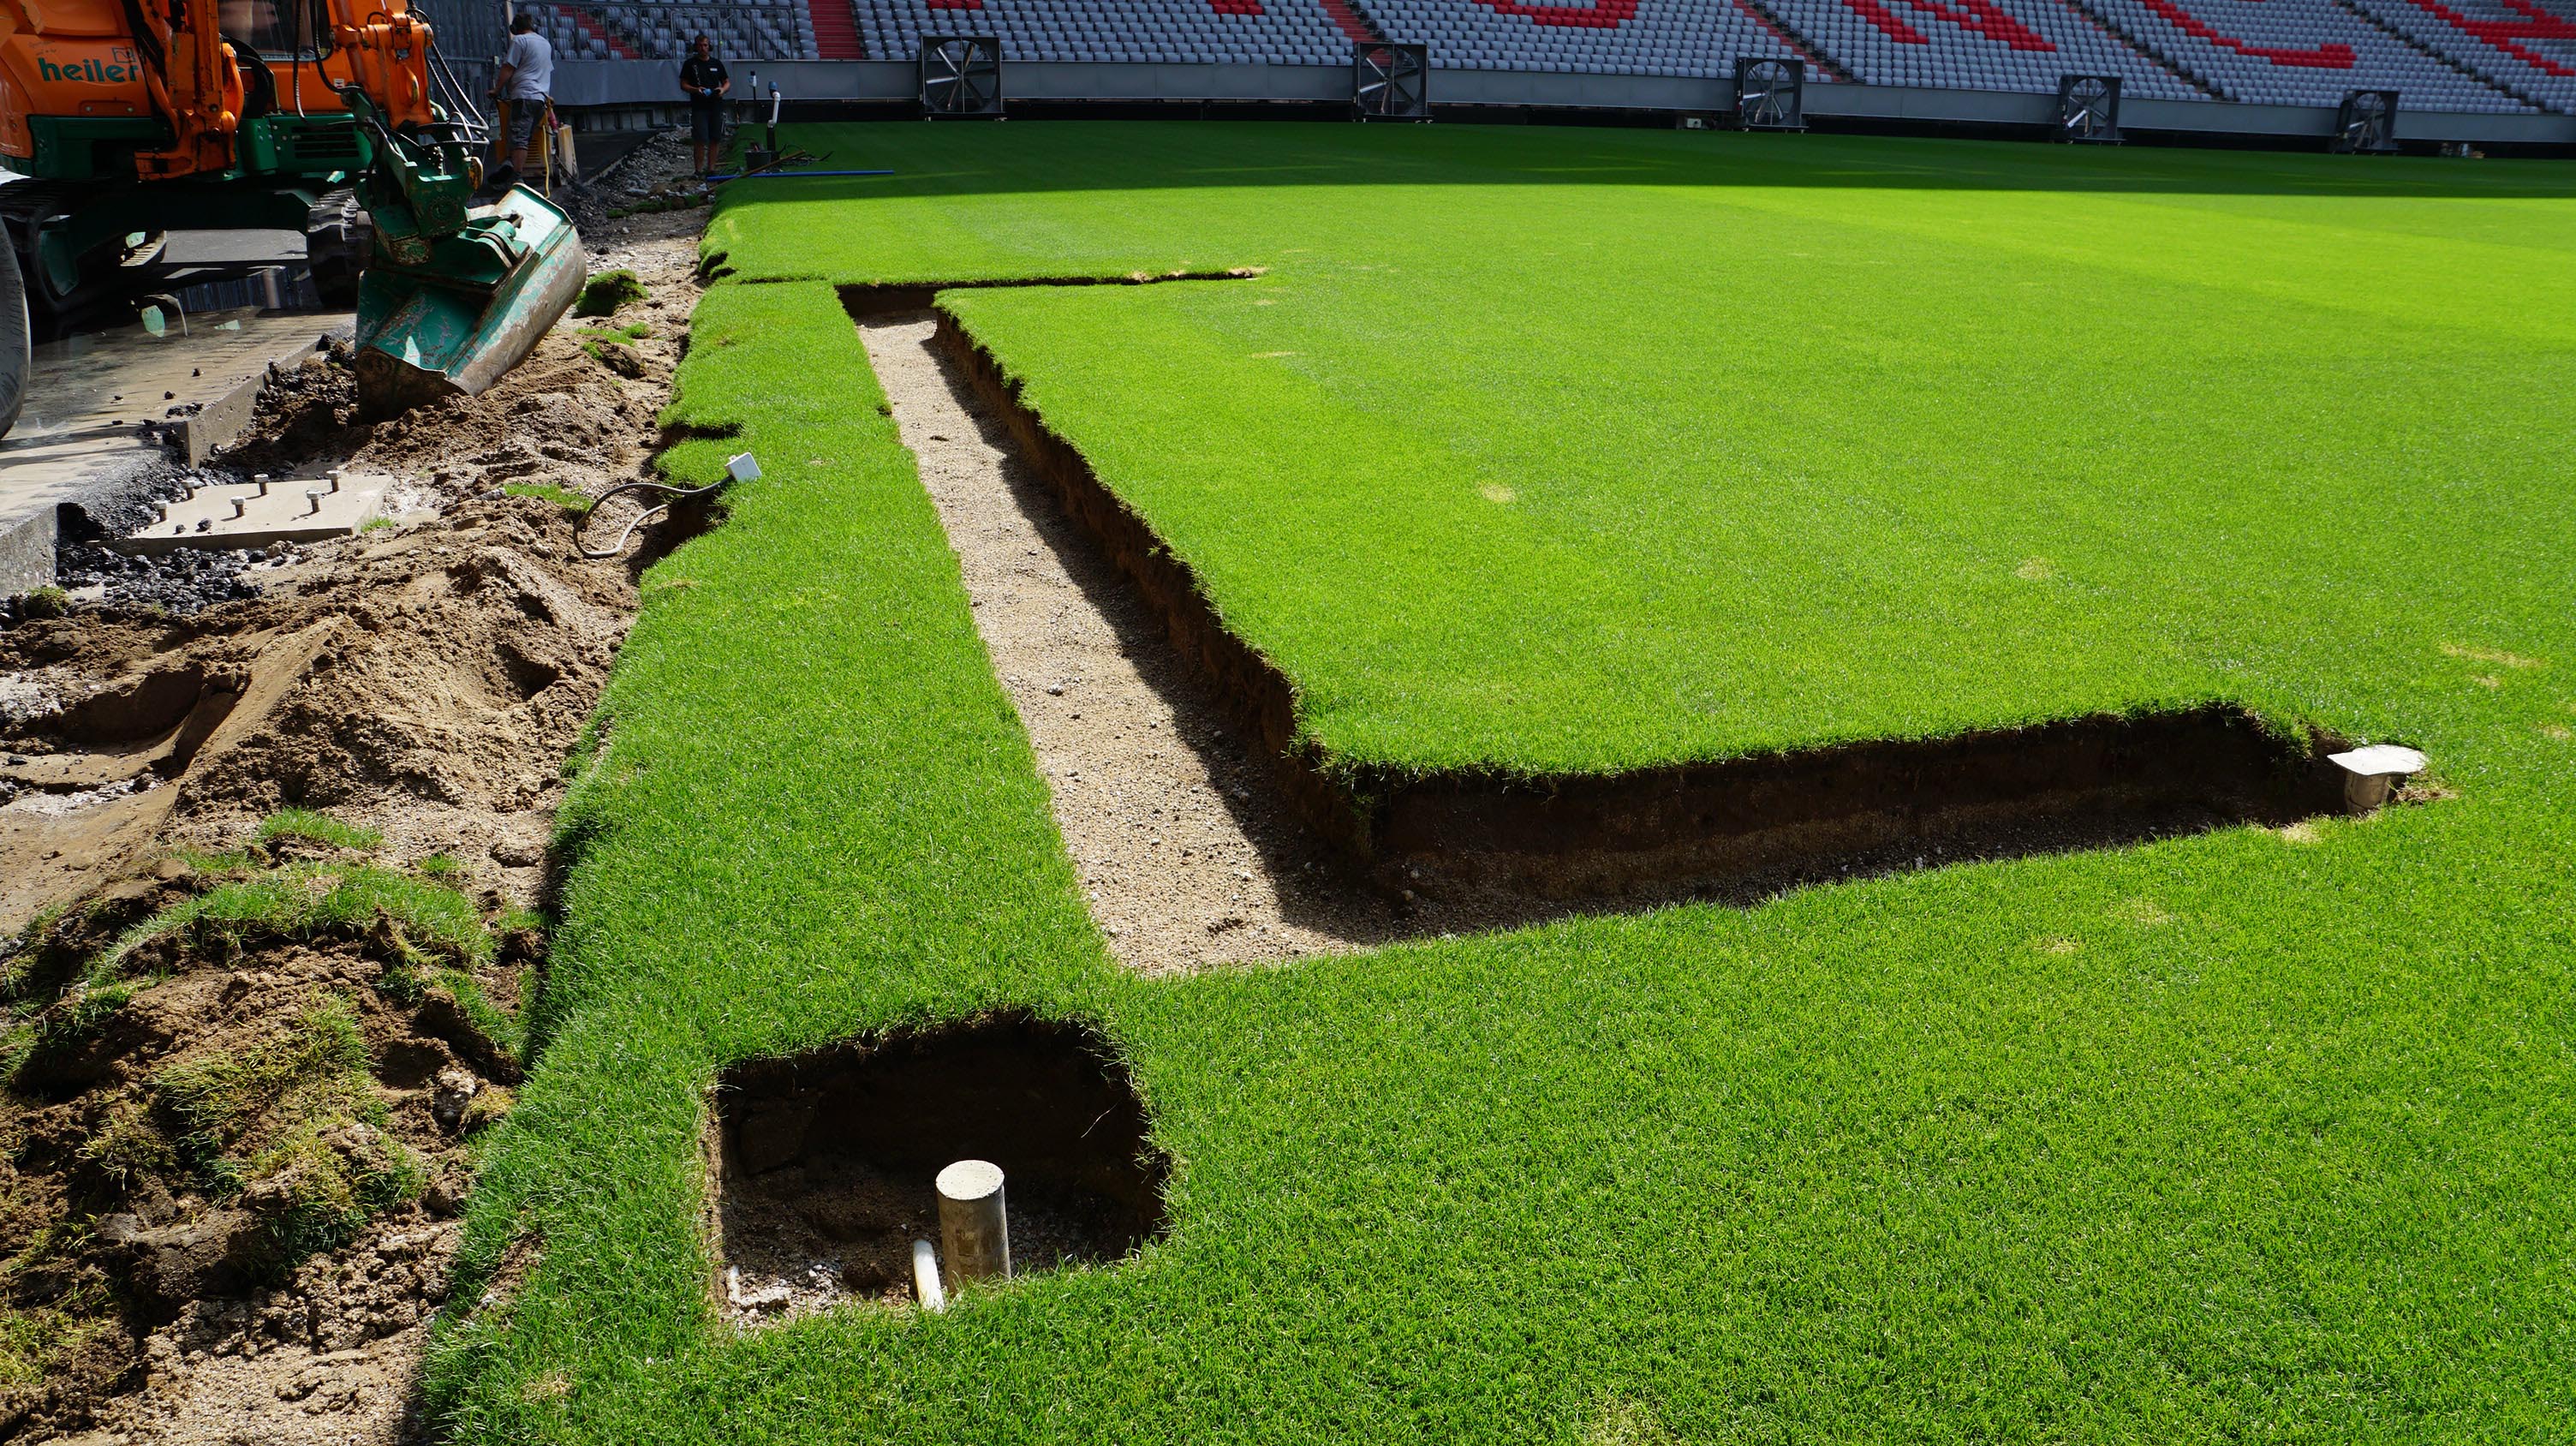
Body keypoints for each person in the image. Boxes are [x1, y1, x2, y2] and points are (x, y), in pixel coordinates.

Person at [495, 10, 553, 181]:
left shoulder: (520, 41)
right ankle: (512, 165)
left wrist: (496, 90)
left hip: (524, 96)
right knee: (523, 136)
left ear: (515, 28)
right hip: (540, 99)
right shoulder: (545, 43)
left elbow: (508, 68)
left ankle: (516, 178)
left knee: (519, 138)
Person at [678, 34, 731, 176]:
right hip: (699, 106)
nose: (703, 48)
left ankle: (712, 168)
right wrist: (696, 90)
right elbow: (683, 84)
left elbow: (726, 81)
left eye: (705, 45)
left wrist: (722, 90)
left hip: (716, 105)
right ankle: (698, 170)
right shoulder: (690, 64)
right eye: (700, 45)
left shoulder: (716, 63)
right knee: (700, 138)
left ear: (709, 47)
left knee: (715, 138)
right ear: (696, 47)